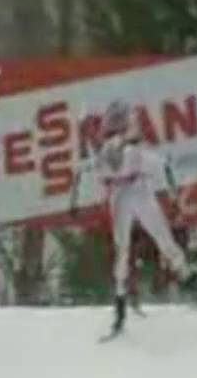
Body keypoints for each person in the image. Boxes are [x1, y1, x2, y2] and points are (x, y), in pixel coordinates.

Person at [69, 100, 190, 334]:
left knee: (154, 240)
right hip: (124, 195)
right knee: (125, 247)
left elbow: (156, 163)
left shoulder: (130, 149)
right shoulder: (115, 148)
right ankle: (122, 302)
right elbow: (99, 162)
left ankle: (175, 269)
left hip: (137, 192)